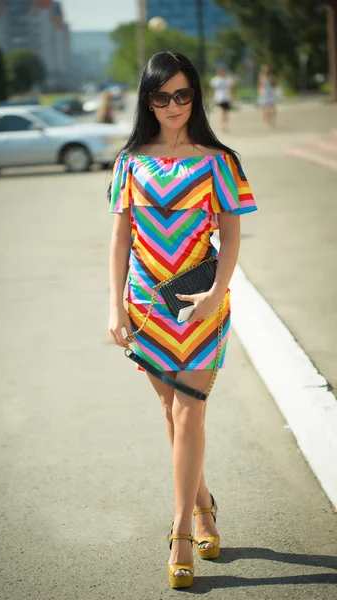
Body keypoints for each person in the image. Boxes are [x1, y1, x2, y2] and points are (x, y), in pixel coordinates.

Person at [107, 51, 257, 589]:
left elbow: (232, 234)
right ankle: (205, 508)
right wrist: (113, 304)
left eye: (183, 94)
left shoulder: (220, 161)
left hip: (200, 304)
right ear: (147, 100)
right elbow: (121, 237)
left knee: (190, 415)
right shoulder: (129, 162)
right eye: (161, 96)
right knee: (171, 415)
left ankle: (180, 532)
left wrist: (217, 294)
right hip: (146, 306)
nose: (173, 105)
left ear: (196, 96)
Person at [209, 66, 235, 133]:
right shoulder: (215, 80)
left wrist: (233, 96)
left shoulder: (228, 80)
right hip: (219, 97)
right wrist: (213, 97)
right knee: (223, 111)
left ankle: (225, 124)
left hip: (227, 97)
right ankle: (223, 125)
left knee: (226, 112)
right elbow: (213, 89)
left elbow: (232, 88)